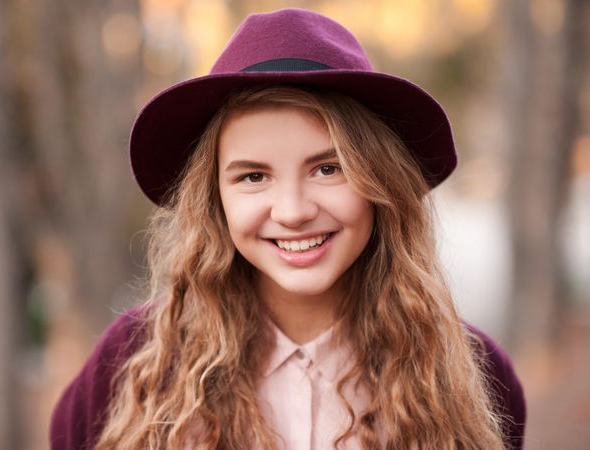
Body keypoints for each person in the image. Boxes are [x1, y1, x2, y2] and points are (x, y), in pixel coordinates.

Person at [50, 8, 526, 450]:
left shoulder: (473, 375)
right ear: (215, 199)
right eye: (253, 176)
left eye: (328, 168)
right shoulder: (134, 366)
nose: (293, 211)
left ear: (380, 181)